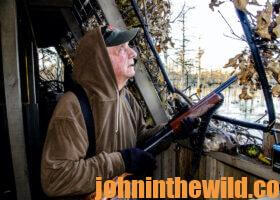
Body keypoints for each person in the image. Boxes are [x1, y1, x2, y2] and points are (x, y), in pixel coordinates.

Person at [41, 25, 197, 197]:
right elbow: (55, 178)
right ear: (100, 60)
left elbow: (139, 138)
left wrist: (171, 130)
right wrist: (122, 161)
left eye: (129, 46)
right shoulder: (73, 106)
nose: (133, 53)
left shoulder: (127, 98)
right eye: (122, 49)